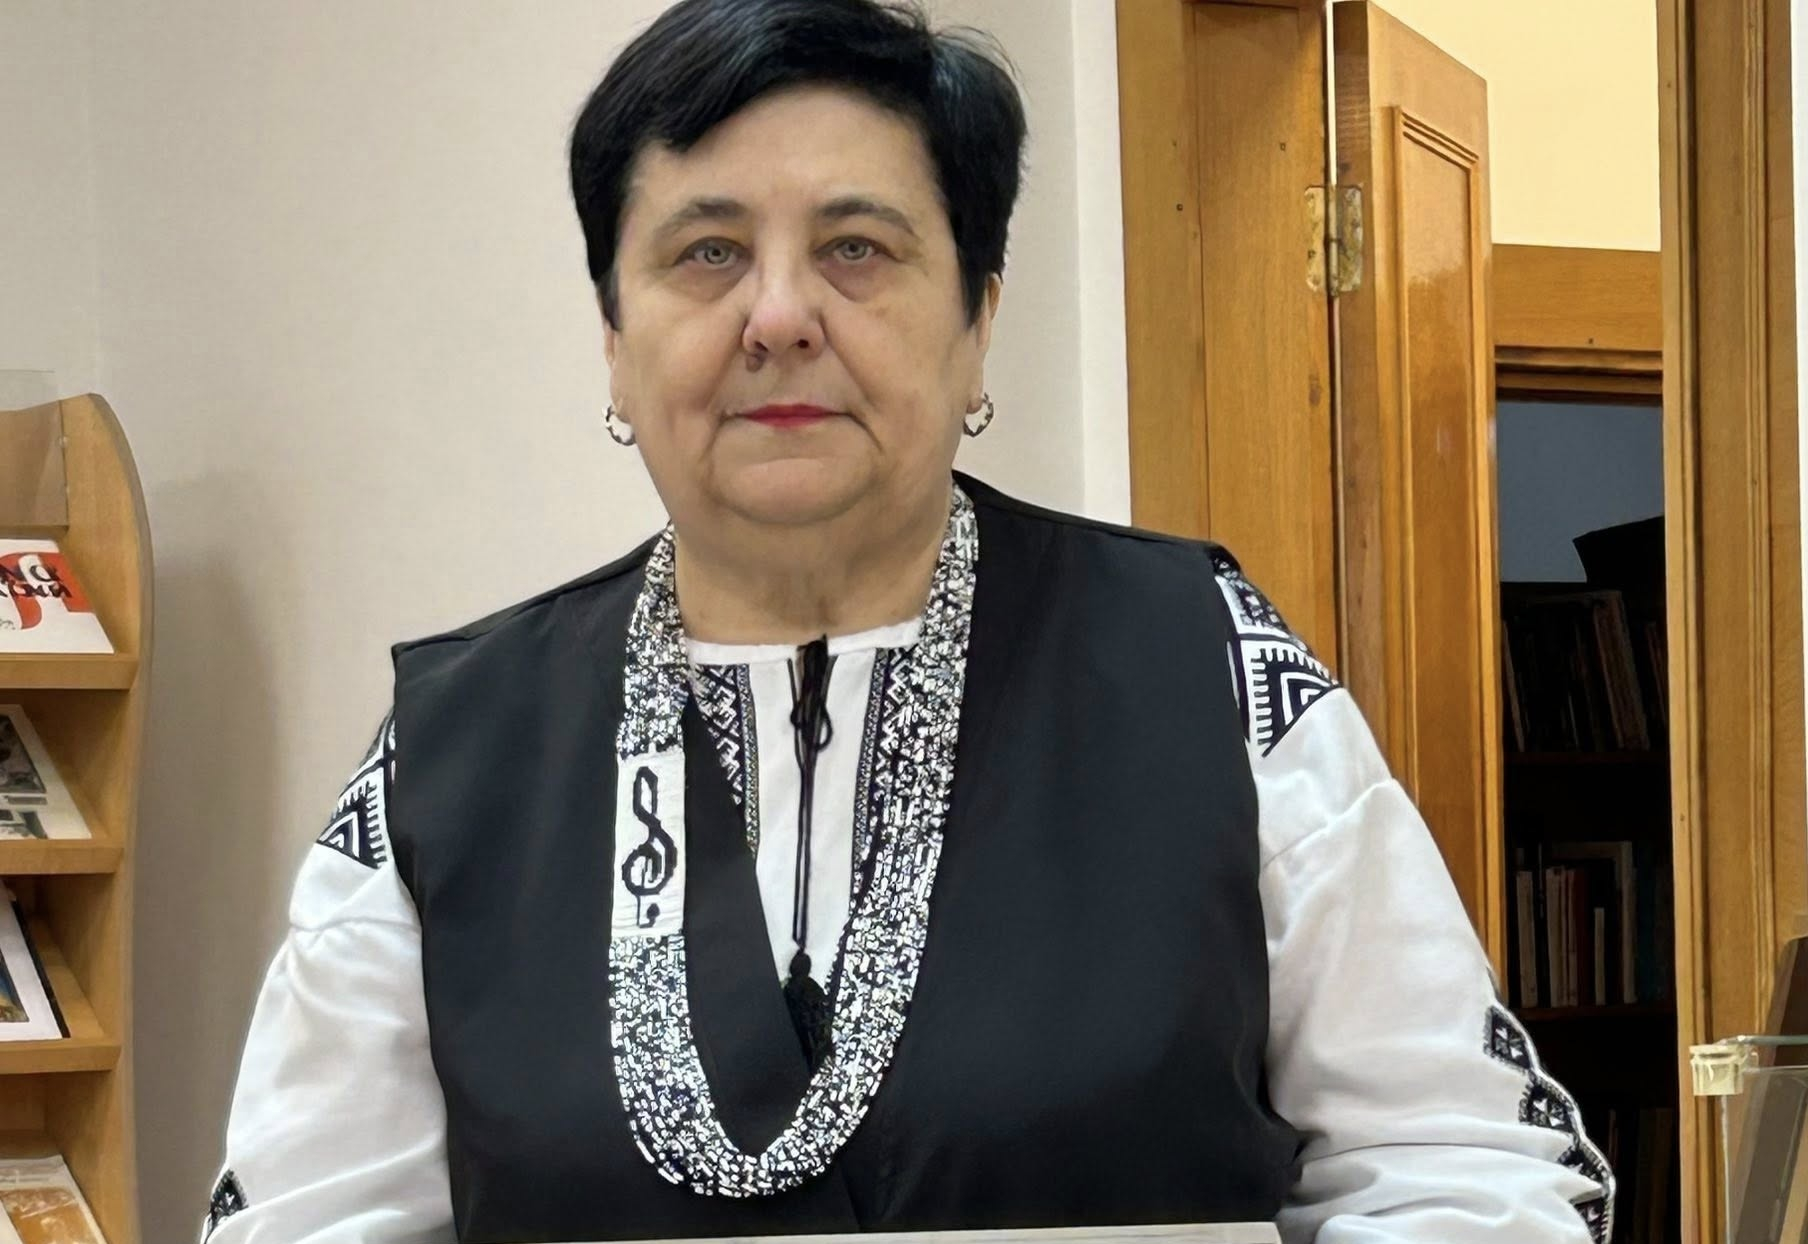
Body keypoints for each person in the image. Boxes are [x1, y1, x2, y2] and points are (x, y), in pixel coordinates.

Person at [203, 1, 1614, 1241]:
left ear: (977, 320)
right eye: (706, 252)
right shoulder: (455, 757)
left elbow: (1463, 1169)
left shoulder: (1208, 673)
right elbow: (312, 1214)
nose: (779, 316)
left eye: (858, 248)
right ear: (615, 343)